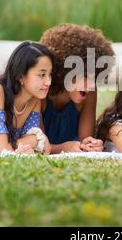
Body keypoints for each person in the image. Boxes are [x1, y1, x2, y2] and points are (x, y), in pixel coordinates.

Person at [40, 23, 115, 153]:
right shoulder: (41, 91)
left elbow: (86, 140)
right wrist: (64, 148)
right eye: (85, 76)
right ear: (65, 71)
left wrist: (92, 145)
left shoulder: (89, 92)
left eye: (95, 77)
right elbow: (37, 145)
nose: (91, 85)